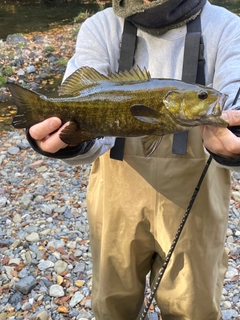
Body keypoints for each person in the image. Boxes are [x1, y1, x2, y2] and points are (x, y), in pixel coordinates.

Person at [26, 1, 240, 319]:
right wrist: (61, 140)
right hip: (115, 193)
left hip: (198, 198)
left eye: (201, 96)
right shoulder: (100, 27)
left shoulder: (227, 27)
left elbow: (233, 103)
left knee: (192, 304)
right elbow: (88, 121)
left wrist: (231, 144)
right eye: (200, 95)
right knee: (113, 302)